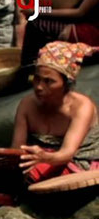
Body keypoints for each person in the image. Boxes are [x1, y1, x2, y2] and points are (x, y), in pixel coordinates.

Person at [13, 42, 99, 182]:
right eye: (37, 79)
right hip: (39, 161)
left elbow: (67, 153)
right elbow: (16, 150)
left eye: (49, 81)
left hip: (77, 160)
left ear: (66, 83)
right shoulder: (27, 105)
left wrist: (45, 157)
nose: (39, 87)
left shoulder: (81, 107)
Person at [19, 0, 99, 69]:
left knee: (36, 24)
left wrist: (37, 11)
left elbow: (79, 12)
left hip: (92, 33)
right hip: (89, 24)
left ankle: (26, 70)